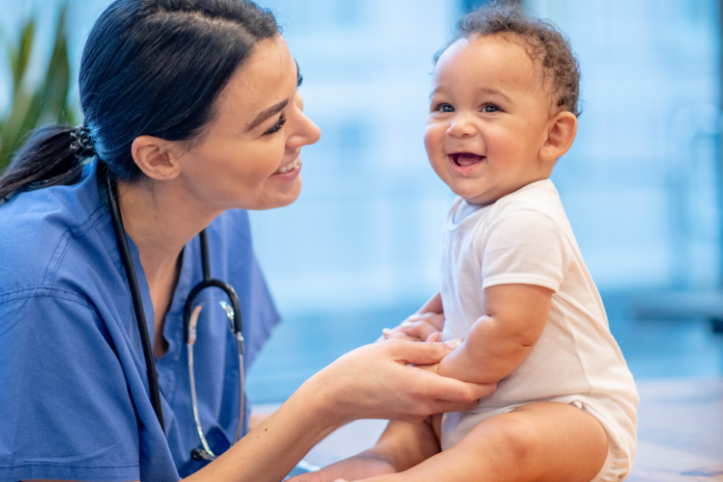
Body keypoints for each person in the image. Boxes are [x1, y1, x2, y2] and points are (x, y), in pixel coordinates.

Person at [0, 1, 498, 481]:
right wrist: (328, 399)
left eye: (295, 96)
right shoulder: (43, 285)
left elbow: (213, 443)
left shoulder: (215, 220)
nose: (311, 131)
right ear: (160, 158)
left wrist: (373, 392)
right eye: (272, 124)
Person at [296, 3, 639, 482]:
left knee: (503, 443)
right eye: (443, 106)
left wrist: (434, 376)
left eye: (490, 107)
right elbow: (464, 290)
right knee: (410, 429)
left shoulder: (527, 217)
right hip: (480, 403)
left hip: (573, 418)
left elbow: (510, 331)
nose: (458, 124)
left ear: (553, 136)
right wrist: (427, 320)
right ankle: (367, 468)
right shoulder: (472, 211)